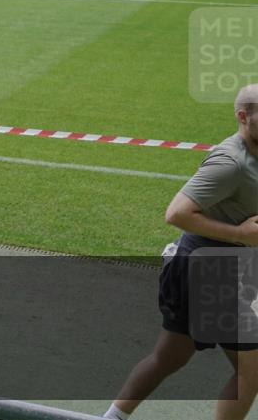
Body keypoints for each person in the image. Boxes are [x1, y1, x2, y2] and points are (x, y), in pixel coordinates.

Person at [104, 83, 258, 420]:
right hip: (215, 273)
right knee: (252, 372)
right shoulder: (230, 163)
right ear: (243, 117)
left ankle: (111, 418)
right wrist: (240, 234)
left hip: (201, 266)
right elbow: (177, 213)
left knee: (171, 355)